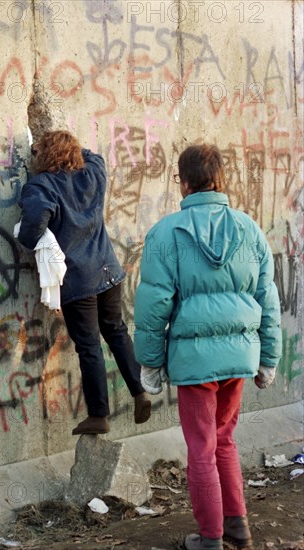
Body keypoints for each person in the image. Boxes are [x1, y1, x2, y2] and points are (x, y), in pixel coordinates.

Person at [133, 144, 282, 549]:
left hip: (194, 361)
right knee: (224, 439)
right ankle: (237, 527)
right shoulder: (249, 229)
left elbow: (152, 305)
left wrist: (149, 362)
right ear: (220, 178)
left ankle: (211, 538)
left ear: (182, 181)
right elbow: (267, 299)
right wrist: (269, 358)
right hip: (239, 358)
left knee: (201, 447)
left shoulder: (165, 233)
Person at [17, 130, 151, 435]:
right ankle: (139, 389)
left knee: (89, 345)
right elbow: (93, 156)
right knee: (116, 331)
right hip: (108, 270)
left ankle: (98, 415)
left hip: (78, 280)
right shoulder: (92, 174)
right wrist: (70, 147)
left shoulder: (42, 186)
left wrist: (27, 240)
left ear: (46, 156)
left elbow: (33, 225)